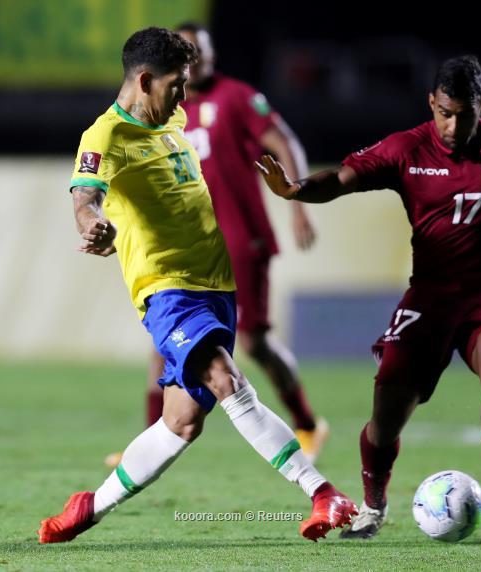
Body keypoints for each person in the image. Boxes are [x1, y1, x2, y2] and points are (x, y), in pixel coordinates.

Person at [256, 55, 481, 541]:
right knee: (385, 413)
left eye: (464, 114)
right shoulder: (406, 148)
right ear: (432, 103)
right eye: (444, 112)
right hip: (428, 295)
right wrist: (296, 190)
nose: (452, 125)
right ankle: (374, 506)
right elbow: (342, 179)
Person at [37, 27, 357, 544]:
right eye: (175, 86)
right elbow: (84, 196)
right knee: (228, 380)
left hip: (216, 286)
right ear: (144, 80)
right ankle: (322, 491)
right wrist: (90, 224)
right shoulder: (105, 137)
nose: (185, 98)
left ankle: (89, 506)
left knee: (182, 422)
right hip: (168, 291)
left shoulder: (174, 118)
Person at [106, 22, 327, 471]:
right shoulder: (159, 112)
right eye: (189, 56)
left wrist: (300, 201)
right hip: (186, 253)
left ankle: (306, 422)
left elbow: (282, 140)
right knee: (163, 342)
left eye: (201, 53)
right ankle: (152, 439)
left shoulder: (237, 98)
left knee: (255, 341)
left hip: (242, 239)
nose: (197, 63)